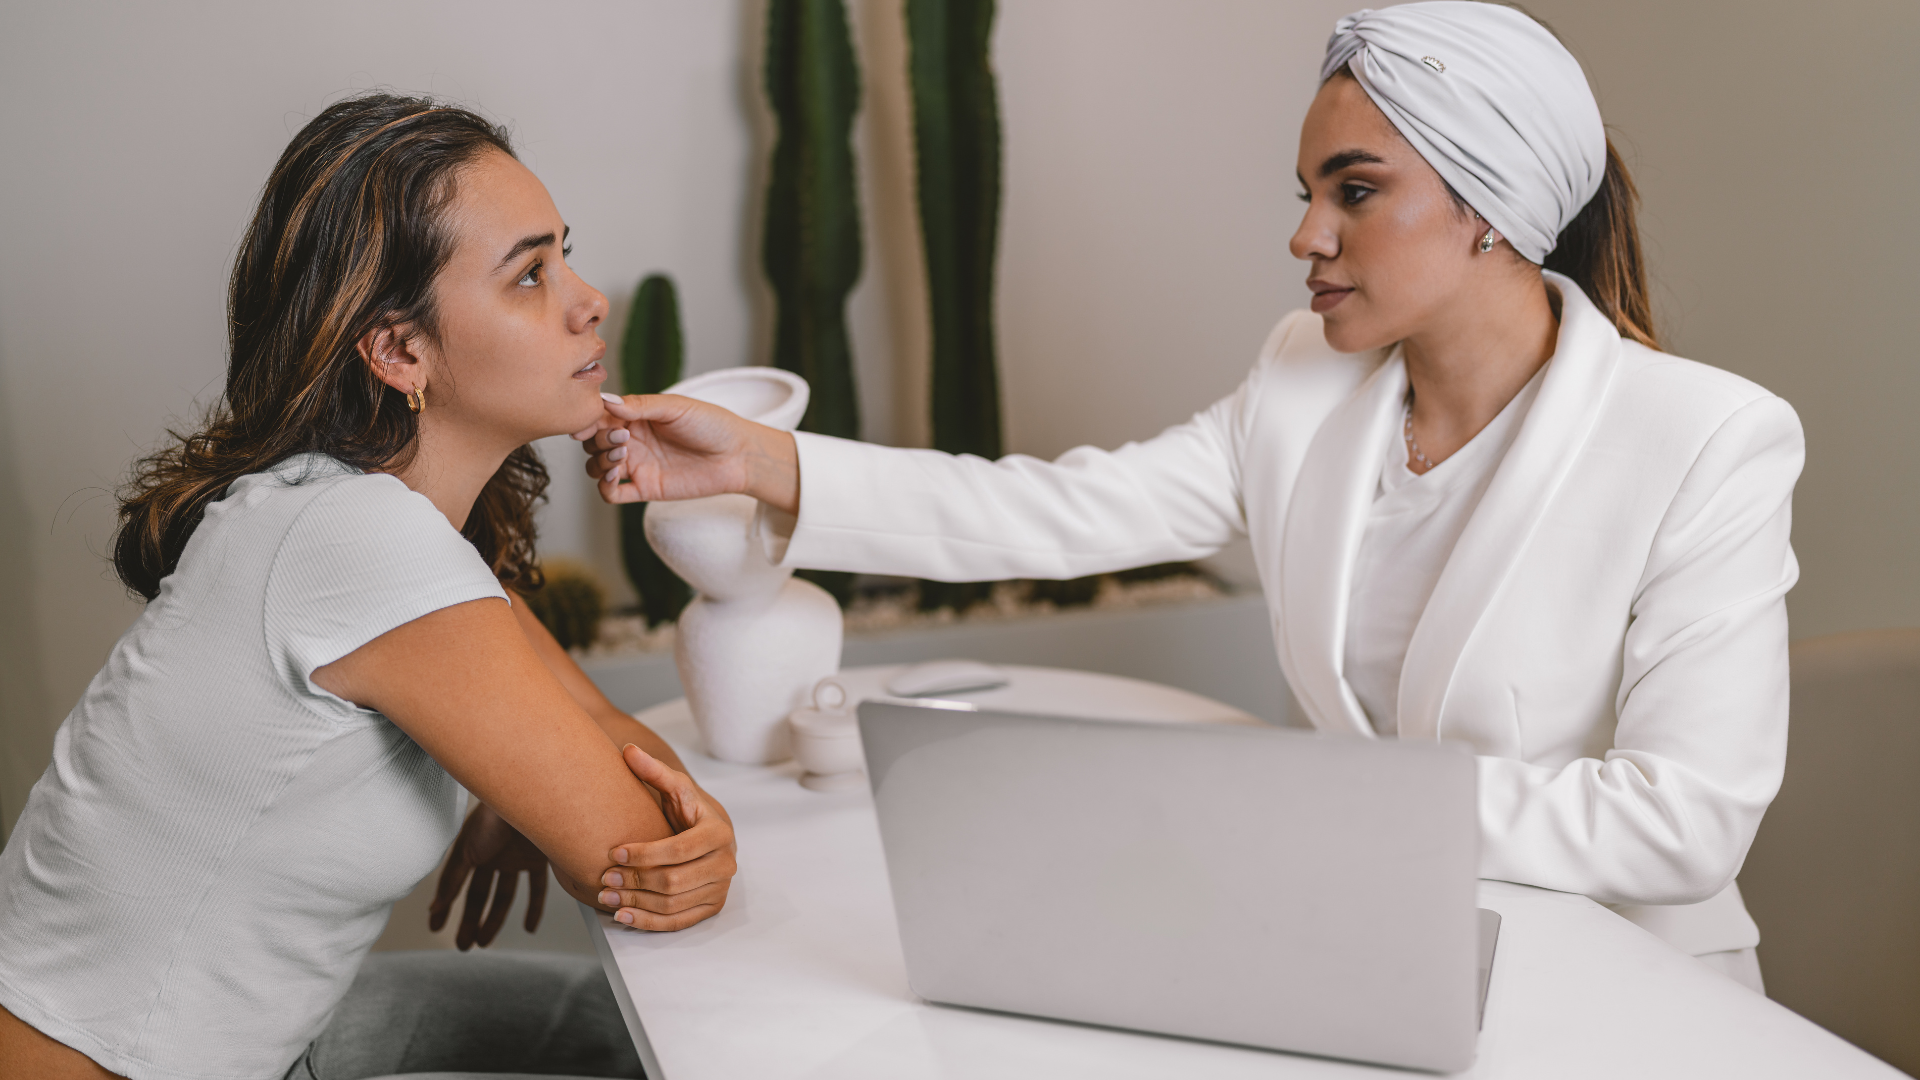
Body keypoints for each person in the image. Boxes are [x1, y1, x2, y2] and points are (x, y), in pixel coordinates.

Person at [577, 2, 1799, 994]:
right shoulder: (1301, 384)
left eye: (1355, 191)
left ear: (1491, 205)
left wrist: (1337, 806)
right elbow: (1051, 513)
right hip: (1379, 970)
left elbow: (1681, 823)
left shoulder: (1706, 439)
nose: (1306, 235)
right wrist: (761, 463)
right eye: (1305, 191)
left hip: (1627, 998)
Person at [0, 95, 738, 1080]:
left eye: (563, 255)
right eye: (529, 274)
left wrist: (545, 793)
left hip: (255, 1050)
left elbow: (612, 750)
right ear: (398, 352)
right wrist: (649, 820)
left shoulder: (359, 525)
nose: (587, 298)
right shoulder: (353, 539)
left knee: (614, 1032)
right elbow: (638, 844)